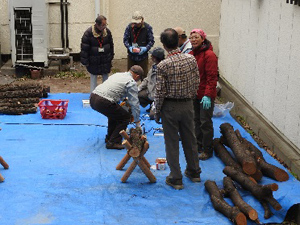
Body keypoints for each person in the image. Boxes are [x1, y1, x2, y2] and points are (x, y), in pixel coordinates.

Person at [154, 28, 201, 190]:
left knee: (172, 142)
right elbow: (196, 82)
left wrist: (157, 111)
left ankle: (176, 177)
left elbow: (160, 91)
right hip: (188, 104)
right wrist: (190, 97)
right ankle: (195, 172)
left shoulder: (163, 66)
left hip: (170, 106)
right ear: (178, 40)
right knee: (190, 139)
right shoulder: (191, 60)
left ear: (164, 45)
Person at [89, 65, 144, 150]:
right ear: (137, 76)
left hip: (93, 97)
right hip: (103, 101)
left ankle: (109, 137)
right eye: (138, 80)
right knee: (125, 117)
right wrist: (137, 123)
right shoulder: (131, 82)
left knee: (114, 115)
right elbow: (135, 104)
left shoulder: (117, 74)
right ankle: (113, 142)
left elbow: (115, 90)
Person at [189, 29, 218, 160]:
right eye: (192, 37)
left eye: (196, 37)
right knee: (195, 120)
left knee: (205, 122)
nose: (193, 39)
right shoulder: (191, 54)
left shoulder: (209, 55)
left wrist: (207, 94)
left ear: (203, 39)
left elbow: (212, 77)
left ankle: (208, 149)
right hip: (194, 93)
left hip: (206, 94)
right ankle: (197, 145)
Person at [80, 15, 114, 93]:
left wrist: (111, 57)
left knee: (106, 79)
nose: (105, 27)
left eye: (105, 24)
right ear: (97, 25)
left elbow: (111, 45)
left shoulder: (107, 32)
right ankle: (93, 95)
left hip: (105, 59)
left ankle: (106, 94)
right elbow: (84, 49)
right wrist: (85, 62)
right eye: (103, 25)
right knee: (93, 78)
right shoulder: (88, 33)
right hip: (93, 60)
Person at [123, 11, 155, 77]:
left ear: (142, 20)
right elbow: (125, 40)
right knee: (130, 76)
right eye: (135, 23)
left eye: (138, 23)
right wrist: (129, 47)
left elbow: (151, 41)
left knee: (144, 76)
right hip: (131, 56)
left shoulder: (147, 28)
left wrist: (146, 48)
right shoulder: (129, 27)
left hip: (143, 57)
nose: (136, 24)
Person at [138, 47, 165, 112]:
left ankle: (159, 107)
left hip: (159, 96)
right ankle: (151, 104)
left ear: (155, 57)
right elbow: (147, 79)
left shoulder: (163, 68)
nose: (151, 57)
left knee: (152, 116)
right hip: (150, 92)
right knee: (137, 95)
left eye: (152, 56)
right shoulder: (153, 66)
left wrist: (156, 101)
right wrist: (138, 88)